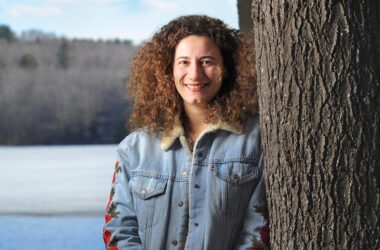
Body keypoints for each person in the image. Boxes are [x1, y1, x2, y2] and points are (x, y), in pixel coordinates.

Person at [103, 15, 269, 250]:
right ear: (167, 70)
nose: (195, 74)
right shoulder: (133, 150)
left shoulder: (257, 141)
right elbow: (118, 231)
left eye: (207, 61)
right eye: (183, 62)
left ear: (228, 68)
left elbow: (259, 232)